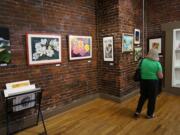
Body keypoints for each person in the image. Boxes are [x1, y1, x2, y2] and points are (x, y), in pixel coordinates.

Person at [134, 48, 163, 119]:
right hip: (153, 83)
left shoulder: (142, 61)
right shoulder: (157, 64)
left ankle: (137, 111)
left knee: (142, 97)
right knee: (152, 99)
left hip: (143, 82)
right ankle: (149, 114)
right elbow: (160, 76)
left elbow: (137, 69)